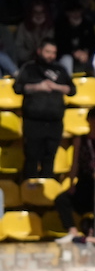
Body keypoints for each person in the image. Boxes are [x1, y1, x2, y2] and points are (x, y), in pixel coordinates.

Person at [14, 40, 74, 179]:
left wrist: (56, 87)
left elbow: (72, 90)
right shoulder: (29, 68)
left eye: (54, 53)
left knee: (49, 157)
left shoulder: (60, 69)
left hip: (54, 122)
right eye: (48, 52)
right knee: (31, 157)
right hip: (33, 122)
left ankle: (47, 191)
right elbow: (17, 88)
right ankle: (29, 192)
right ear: (39, 51)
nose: (51, 55)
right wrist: (37, 87)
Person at [55, 108, 95, 245]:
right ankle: (72, 231)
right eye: (91, 118)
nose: (94, 122)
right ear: (88, 120)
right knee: (61, 200)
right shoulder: (80, 140)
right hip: (84, 180)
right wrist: (71, 184)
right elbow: (75, 163)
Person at [54, 2, 95, 76]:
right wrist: (73, 52)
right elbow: (59, 45)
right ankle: (68, 84)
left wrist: (86, 52)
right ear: (67, 13)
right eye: (72, 12)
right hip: (67, 55)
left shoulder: (88, 24)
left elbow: (94, 44)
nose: (75, 14)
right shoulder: (60, 25)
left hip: (85, 56)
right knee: (66, 59)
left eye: (78, 11)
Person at [13, 2, 53, 67]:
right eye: (35, 12)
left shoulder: (49, 27)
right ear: (30, 13)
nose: (39, 15)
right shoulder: (23, 27)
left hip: (47, 62)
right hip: (27, 63)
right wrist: (31, 53)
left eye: (42, 12)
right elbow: (18, 50)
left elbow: (52, 47)